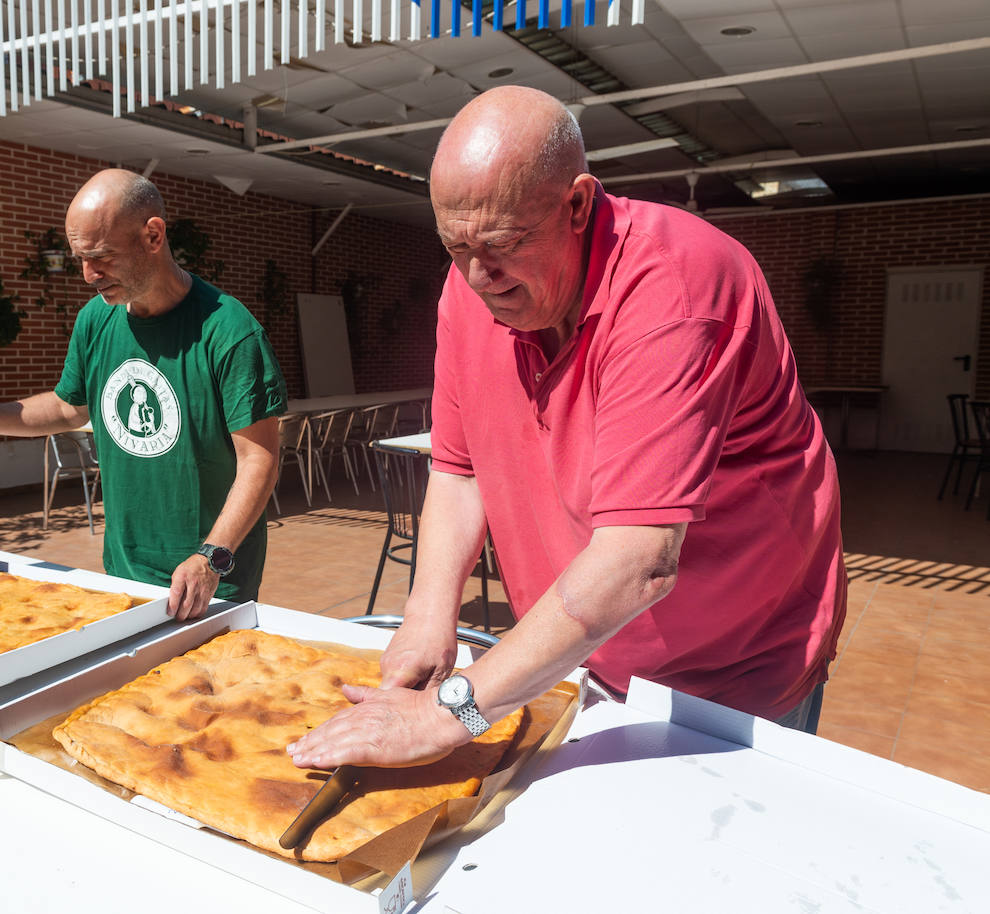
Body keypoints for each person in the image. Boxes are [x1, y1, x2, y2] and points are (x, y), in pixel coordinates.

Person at [287, 86, 845, 771]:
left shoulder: (676, 289)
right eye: (454, 246)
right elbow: (459, 472)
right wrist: (427, 621)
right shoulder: (471, 288)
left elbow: (638, 563)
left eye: (500, 244)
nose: (478, 275)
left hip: (736, 675)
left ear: (577, 204)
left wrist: (447, 716)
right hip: (587, 652)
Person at [0, 169, 286, 620]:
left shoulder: (228, 331)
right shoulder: (96, 320)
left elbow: (260, 460)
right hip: (121, 575)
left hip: (209, 583)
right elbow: (69, 406)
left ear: (153, 236)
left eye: (101, 257)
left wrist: (210, 558)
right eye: (80, 258)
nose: (87, 275)